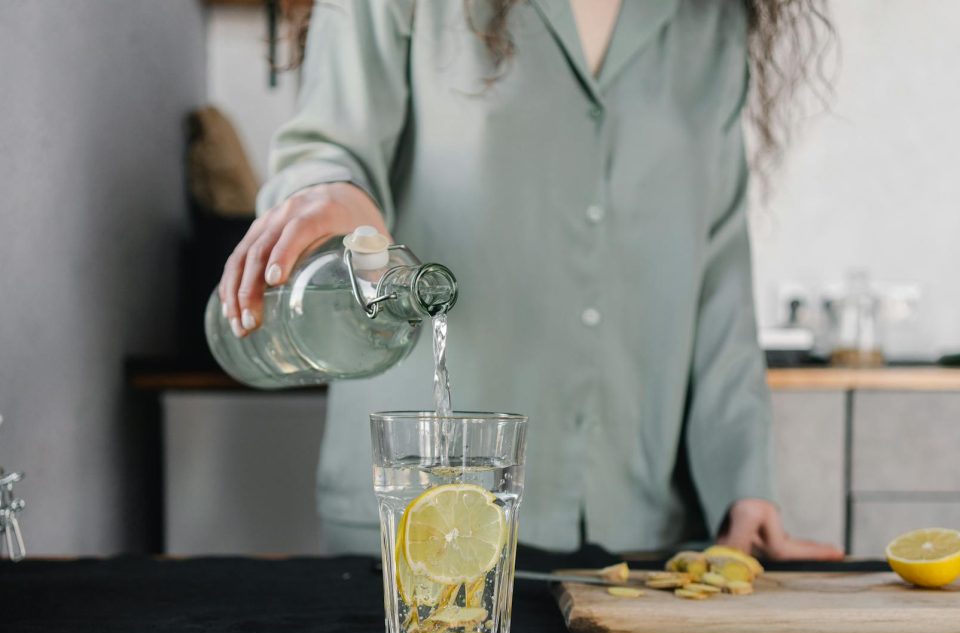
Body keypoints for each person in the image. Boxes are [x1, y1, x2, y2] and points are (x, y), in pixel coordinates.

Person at [218, 0, 843, 560]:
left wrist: (743, 484)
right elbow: (329, 146)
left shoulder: (713, 17)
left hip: (641, 533)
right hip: (424, 521)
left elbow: (718, 277)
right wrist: (334, 194)